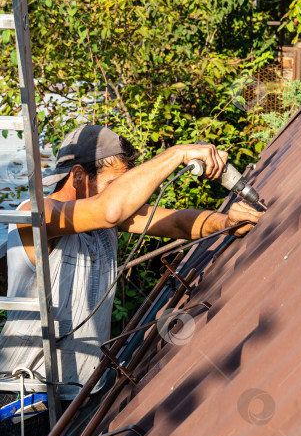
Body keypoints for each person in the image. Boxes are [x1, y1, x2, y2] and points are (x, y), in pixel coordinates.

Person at [0, 124, 261, 400]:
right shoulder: (36, 214)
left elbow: (178, 223)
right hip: (24, 397)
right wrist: (178, 153)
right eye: (114, 185)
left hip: (83, 392)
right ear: (78, 175)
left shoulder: (102, 215)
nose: (123, 195)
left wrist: (227, 223)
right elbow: (111, 209)